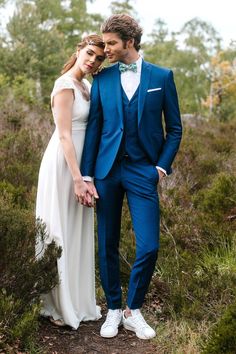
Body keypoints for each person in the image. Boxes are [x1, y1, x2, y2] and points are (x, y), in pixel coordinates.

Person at [81, 14, 182, 340]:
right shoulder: (103, 80)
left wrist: (161, 167)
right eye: (104, 42)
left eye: (111, 43)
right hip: (106, 172)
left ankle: (132, 310)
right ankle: (112, 308)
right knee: (106, 243)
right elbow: (95, 128)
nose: (105, 49)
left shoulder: (162, 77)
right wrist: (87, 174)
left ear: (129, 42)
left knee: (149, 245)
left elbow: (175, 129)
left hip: (143, 171)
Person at [35, 34, 105, 330]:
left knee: (77, 229)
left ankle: (76, 299)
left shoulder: (87, 86)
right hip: (64, 165)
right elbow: (64, 135)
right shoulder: (64, 85)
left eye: (99, 58)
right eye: (90, 53)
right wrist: (78, 179)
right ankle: (55, 303)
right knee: (59, 229)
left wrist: (88, 175)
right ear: (79, 50)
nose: (92, 60)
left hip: (82, 167)